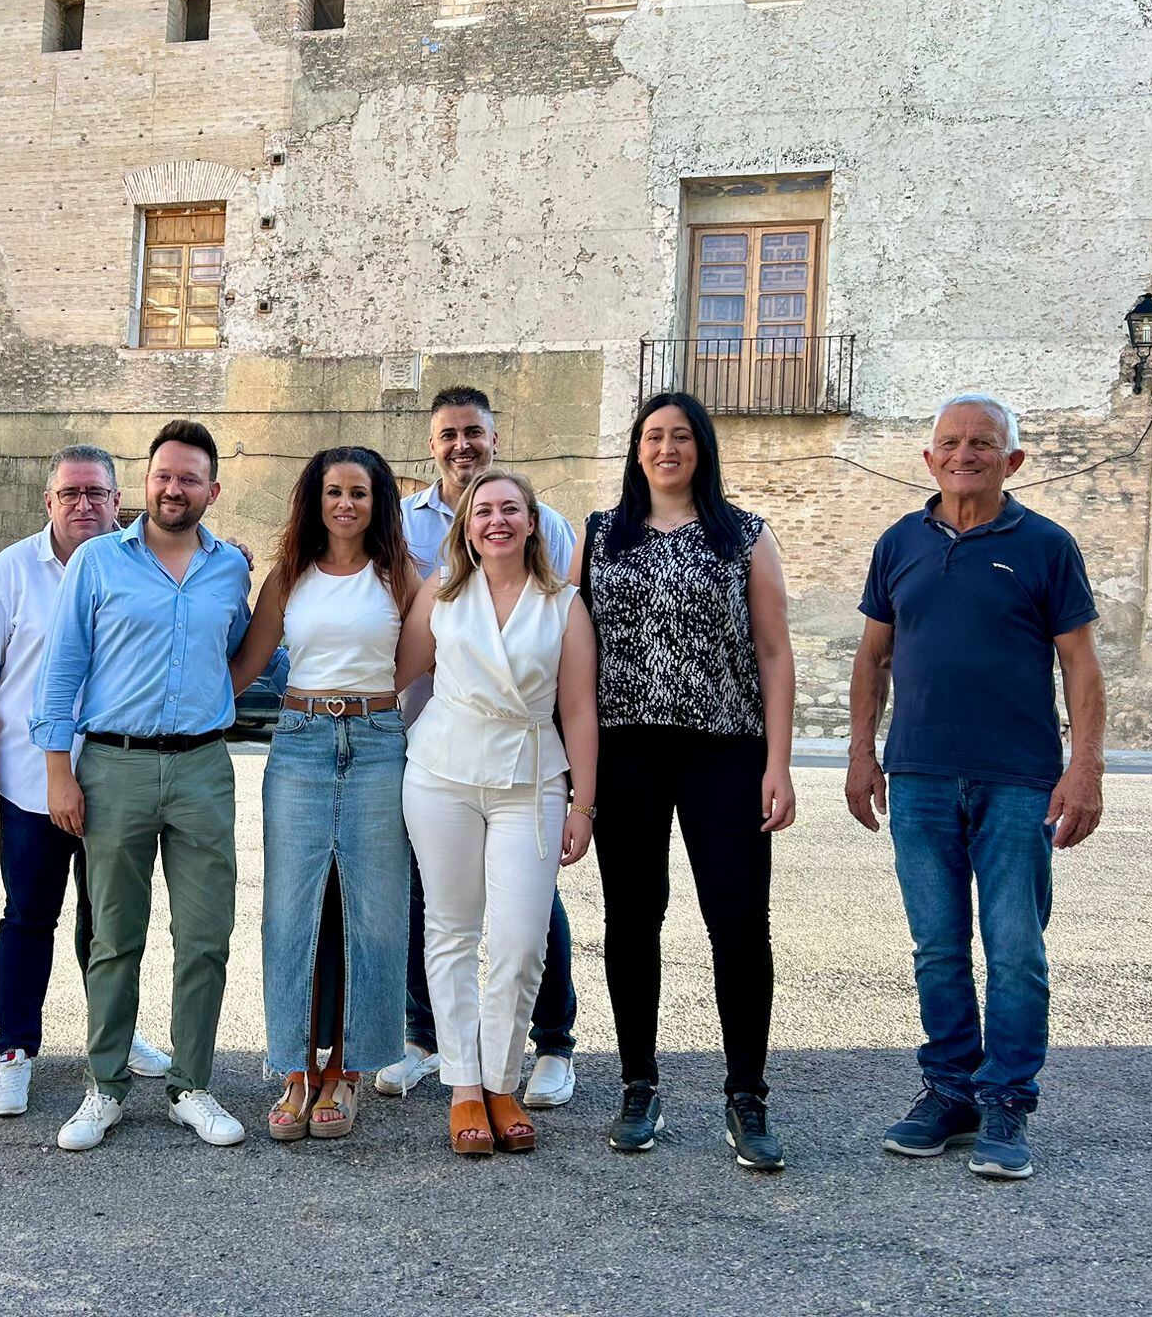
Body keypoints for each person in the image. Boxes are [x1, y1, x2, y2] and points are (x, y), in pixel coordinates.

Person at [847, 392, 1105, 1181]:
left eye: (983, 444)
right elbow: (873, 657)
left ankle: (1006, 1101)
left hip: (1019, 779)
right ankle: (951, 1093)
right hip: (918, 774)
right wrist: (860, 754)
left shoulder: (1047, 546)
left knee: (1016, 948)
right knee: (937, 946)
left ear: (1012, 460)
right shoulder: (899, 543)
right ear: (929, 459)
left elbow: (1080, 666)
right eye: (951, 443)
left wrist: (1085, 767)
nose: (965, 455)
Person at [571, 392, 797, 1172]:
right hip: (625, 749)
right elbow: (570, 652)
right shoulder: (601, 534)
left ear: (702, 447)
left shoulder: (746, 535)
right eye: (653, 436)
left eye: (680, 436)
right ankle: (639, 1085)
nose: (666, 448)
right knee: (633, 919)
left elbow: (774, 651)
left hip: (725, 748)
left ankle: (747, 1096)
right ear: (637, 450)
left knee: (739, 922)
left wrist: (778, 762)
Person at [0, 444, 173, 1118]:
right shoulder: (12, 571)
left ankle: (114, 1037)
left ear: (118, 500)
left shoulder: (146, 564)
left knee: (111, 924)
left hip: (118, 778)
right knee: (28, 917)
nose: (83, 504)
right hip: (32, 784)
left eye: (96, 493)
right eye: (70, 493)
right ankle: (14, 1050)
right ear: (49, 501)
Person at [33, 420, 253, 1152]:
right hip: (114, 766)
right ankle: (105, 1086)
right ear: (145, 482)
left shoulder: (230, 568)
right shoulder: (98, 560)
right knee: (113, 935)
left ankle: (192, 1085)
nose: (173, 488)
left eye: (189, 478)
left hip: (203, 768)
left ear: (211, 490)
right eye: (163, 475)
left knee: (206, 935)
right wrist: (58, 772)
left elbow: (238, 656)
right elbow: (62, 668)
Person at [383, 385, 582, 1109]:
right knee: (440, 912)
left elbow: (567, 654)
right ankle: (441, 1052)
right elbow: (397, 655)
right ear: (432, 444)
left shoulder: (551, 538)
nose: (461, 445)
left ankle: (546, 1046)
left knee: (528, 918)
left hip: (527, 756)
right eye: (449, 435)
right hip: (438, 749)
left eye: (474, 432)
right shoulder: (407, 532)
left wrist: (580, 796)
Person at [230, 446, 420, 1141]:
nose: (346, 504)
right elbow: (245, 668)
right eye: (334, 491)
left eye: (359, 493)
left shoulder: (401, 575)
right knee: (289, 912)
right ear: (315, 500)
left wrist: (374, 710)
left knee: (374, 911)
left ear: (378, 503)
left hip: (376, 742)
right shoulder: (289, 575)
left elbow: (415, 664)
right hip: (300, 742)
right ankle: (294, 1069)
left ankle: (346, 1069)